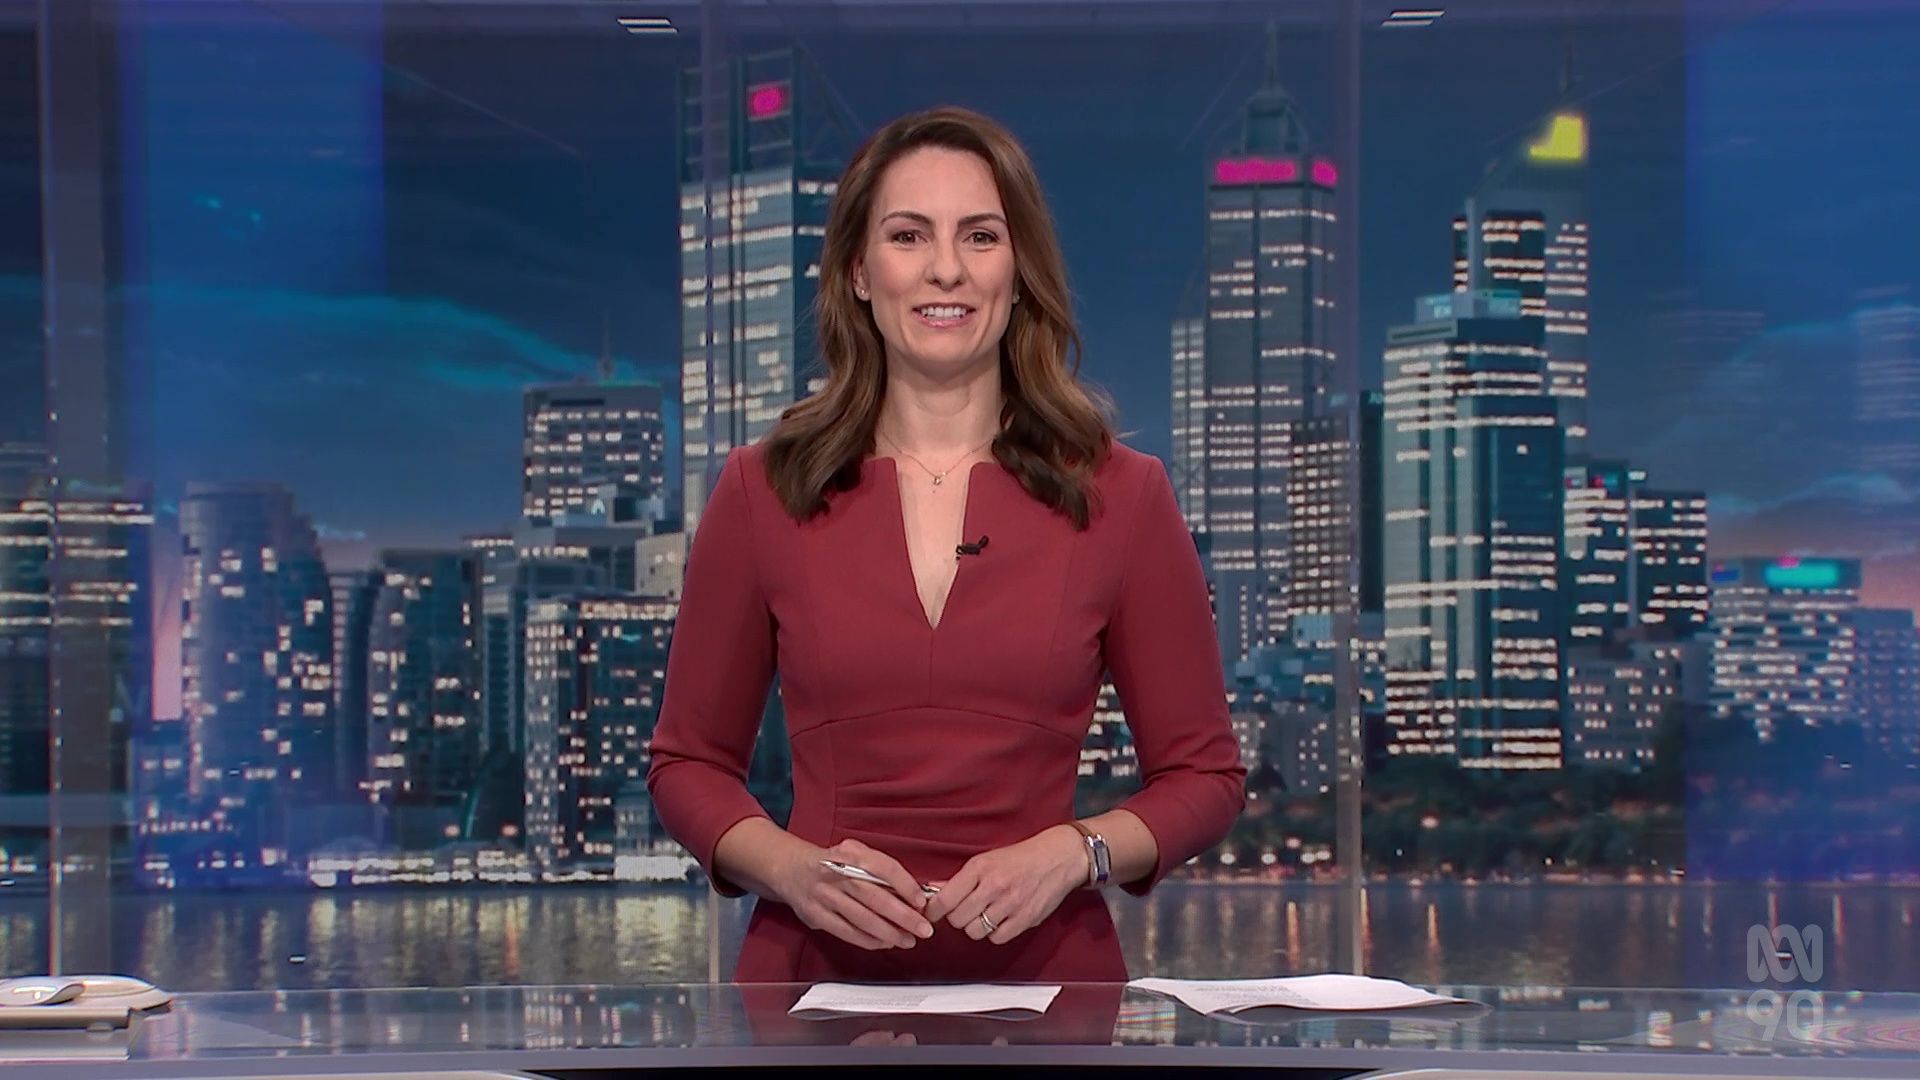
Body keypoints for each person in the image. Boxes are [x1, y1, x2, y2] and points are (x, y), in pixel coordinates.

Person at [647, 105, 1245, 986]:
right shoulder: (761, 488)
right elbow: (687, 764)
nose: (946, 269)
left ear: (1019, 268)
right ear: (859, 271)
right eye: (908, 235)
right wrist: (791, 869)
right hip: (812, 991)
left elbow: (1205, 777)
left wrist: (1075, 852)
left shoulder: (1123, 495)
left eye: (980, 236)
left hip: (1049, 992)